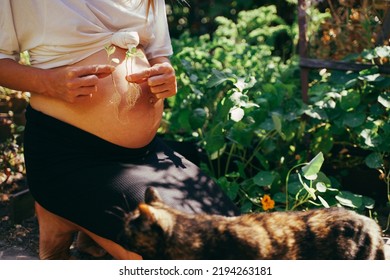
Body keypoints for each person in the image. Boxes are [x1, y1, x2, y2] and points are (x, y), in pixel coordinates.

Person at [0, 0, 239, 260]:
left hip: (146, 156)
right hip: (69, 154)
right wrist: (49, 84)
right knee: (172, 256)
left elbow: (158, 52)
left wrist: (165, 75)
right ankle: (60, 210)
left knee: (229, 236)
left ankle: (74, 222)